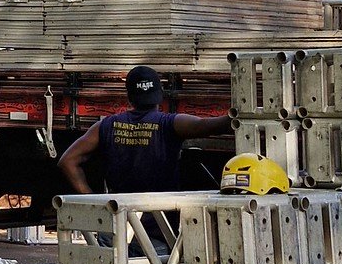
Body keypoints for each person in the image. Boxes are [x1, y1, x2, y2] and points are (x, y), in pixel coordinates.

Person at [57, 65, 232, 193]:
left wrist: (91, 201)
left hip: (118, 224)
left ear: (129, 97)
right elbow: (210, 125)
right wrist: (240, 113)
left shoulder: (105, 126)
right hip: (159, 231)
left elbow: (67, 161)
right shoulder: (170, 124)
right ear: (159, 96)